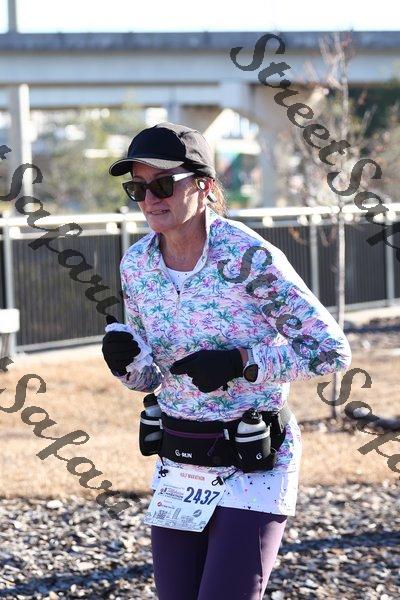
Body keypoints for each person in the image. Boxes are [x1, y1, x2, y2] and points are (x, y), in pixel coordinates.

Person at [102, 121, 352, 599]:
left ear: (204, 186)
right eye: (138, 187)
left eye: (163, 185)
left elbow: (329, 349)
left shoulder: (248, 257)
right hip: (180, 461)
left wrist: (242, 361)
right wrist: (125, 363)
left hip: (252, 461)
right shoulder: (136, 264)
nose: (150, 199)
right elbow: (151, 377)